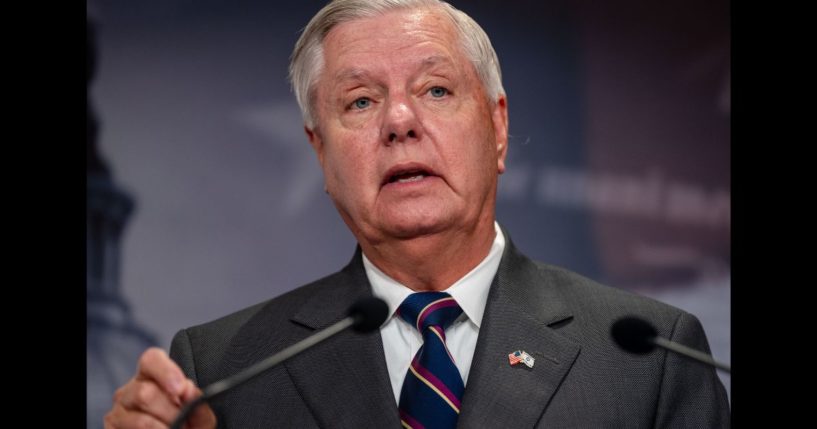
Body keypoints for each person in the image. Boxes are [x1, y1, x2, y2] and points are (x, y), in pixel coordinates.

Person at [104, 0, 730, 427]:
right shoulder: (222, 372)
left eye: (436, 90)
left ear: (498, 127)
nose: (400, 122)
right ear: (320, 152)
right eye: (359, 101)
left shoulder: (649, 357)